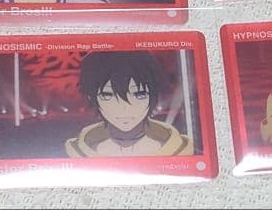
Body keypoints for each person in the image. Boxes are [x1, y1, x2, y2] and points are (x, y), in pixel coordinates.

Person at [65, 51, 193, 157]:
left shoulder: (180, 149)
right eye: (107, 95)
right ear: (91, 97)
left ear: (153, 95)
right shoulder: (77, 152)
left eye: (139, 95)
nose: (125, 109)